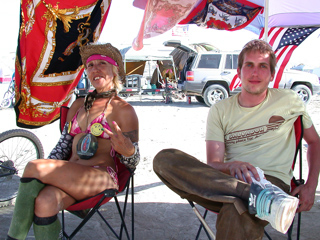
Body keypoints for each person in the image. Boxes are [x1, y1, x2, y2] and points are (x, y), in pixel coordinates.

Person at [153, 39, 320, 239]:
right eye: (249, 65)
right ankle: (259, 198)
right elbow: (214, 164)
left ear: (272, 74)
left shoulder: (289, 100)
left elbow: (315, 142)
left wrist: (311, 186)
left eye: (262, 66)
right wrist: (231, 166)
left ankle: (260, 196)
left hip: (273, 182)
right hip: (226, 182)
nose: (255, 72)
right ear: (239, 71)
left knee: (234, 210)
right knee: (165, 159)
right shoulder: (220, 110)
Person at [7, 43, 139, 240]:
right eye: (90, 65)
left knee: (35, 166)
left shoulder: (123, 109)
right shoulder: (78, 105)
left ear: (114, 69)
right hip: (70, 174)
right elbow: (62, 147)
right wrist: (49, 170)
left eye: (102, 63)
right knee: (45, 201)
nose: (95, 68)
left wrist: (129, 152)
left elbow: (133, 162)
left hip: (100, 177)